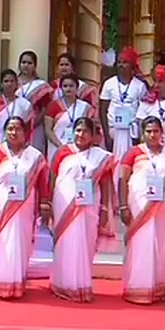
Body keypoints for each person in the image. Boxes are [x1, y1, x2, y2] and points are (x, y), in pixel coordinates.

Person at [0, 116, 50, 300]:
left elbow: (43, 182)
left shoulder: (35, 156)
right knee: (2, 242)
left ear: (25, 132)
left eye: (17, 129)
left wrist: (45, 202)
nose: (14, 133)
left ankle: (17, 282)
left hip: (25, 206)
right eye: (10, 129)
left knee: (20, 241)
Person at [118, 116, 165, 305]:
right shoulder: (133, 153)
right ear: (143, 133)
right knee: (140, 244)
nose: (152, 135)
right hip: (138, 206)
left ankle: (157, 289)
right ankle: (136, 288)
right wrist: (123, 206)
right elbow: (122, 180)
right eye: (148, 131)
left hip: (163, 207)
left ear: (162, 133)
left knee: (159, 245)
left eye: (156, 131)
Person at [49, 117, 115, 302]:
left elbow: (106, 183)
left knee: (85, 243)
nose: (81, 134)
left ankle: (81, 284)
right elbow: (53, 177)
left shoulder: (101, 156)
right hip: (64, 204)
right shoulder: (63, 152)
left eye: (85, 131)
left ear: (93, 135)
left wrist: (104, 210)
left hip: (89, 207)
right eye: (78, 130)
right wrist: (47, 203)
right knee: (66, 243)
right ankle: (62, 283)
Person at [99, 47, 150, 189]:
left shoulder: (140, 86)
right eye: (119, 62)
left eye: (125, 62)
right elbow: (102, 109)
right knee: (113, 163)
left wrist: (139, 136)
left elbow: (143, 111)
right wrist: (106, 134)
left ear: (132, 66)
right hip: (113, 130)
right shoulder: (109, 84)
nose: (121, 65)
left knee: (130, 163)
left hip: (131, 132)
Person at [44, 73, 94, 162]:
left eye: (71, 86)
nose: (68, 89)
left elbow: (90, 129)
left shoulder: (85, 107)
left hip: (79, 147)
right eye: (65, 86)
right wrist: (60, 146)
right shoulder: (53, 106)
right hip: (57, 147)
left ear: (77, 88)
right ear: (61, 88)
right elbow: (48, 130)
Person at [15, 50, 53, 155]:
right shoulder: (12, 83)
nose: (26, 65)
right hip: (14, 124)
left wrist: (33, 123)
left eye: (29, 63)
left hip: (35, 126)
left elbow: (45, 108)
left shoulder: (41, 86)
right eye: (23, 62)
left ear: (35, 66)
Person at [0, 69, 33, 146]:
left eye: (12, 81)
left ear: (17, 84)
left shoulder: (25, 104)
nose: (9, 84)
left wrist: (22, 143)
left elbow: (28, 128)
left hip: (19, 146)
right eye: (6, 81)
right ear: (1, 84)